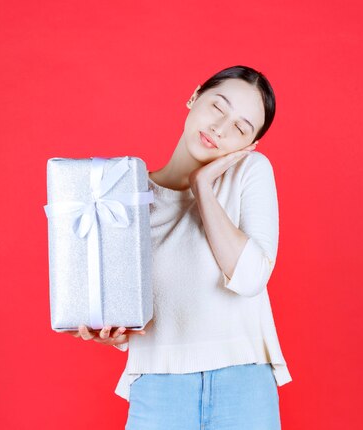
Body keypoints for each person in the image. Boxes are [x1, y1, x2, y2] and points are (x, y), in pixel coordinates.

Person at [64, 65, 291, 429]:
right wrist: (114, 331)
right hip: (157, 386)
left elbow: (250, 279)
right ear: (194, 96)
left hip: (244, 383)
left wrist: (202, 187)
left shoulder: (252, 172)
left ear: (249, 146)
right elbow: (132, 305)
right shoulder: (128, 194)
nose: (220, 128)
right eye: (218, 106)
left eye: (241, 127)